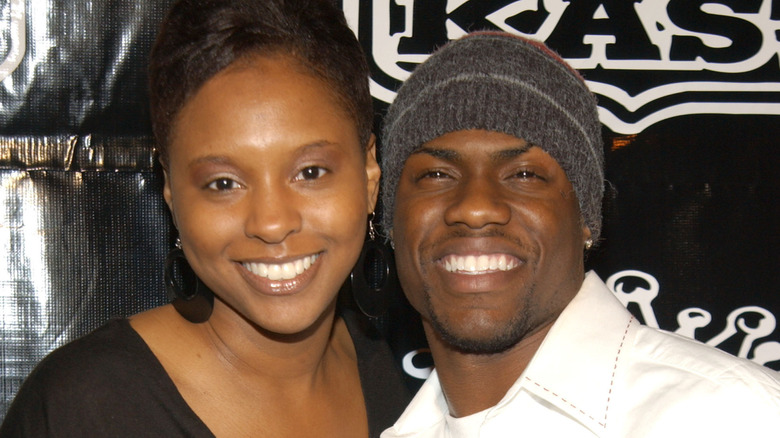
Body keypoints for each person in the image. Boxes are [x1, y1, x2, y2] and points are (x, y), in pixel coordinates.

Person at [0, 0, 411, 436]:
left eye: (310, 172)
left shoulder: (398, 389)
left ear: (369, 175)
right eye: (223, 183)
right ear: (172, 192)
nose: (271, 224)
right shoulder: (82, 408)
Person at [378, 32, 780, 437]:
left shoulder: (734, 416)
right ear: (391, 220)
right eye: (436, 175)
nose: (476, 207)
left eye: (524, 175)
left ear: (586, 216)